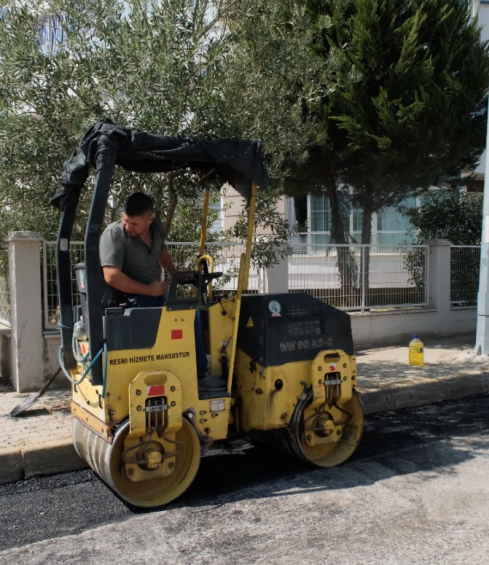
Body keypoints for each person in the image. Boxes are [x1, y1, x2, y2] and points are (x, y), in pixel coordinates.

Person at [99, 192, 225, 391]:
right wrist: (149, 290)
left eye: (134, 224)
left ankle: (199, 374)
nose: (128, 227)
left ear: (150, 219)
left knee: (192, 315)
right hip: (133, 300)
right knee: (174, 320)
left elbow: (161, 252)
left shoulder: (156, 228)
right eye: (125, 221)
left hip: (154, 295)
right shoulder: (114, 235)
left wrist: (176, 274)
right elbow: (111, 276)